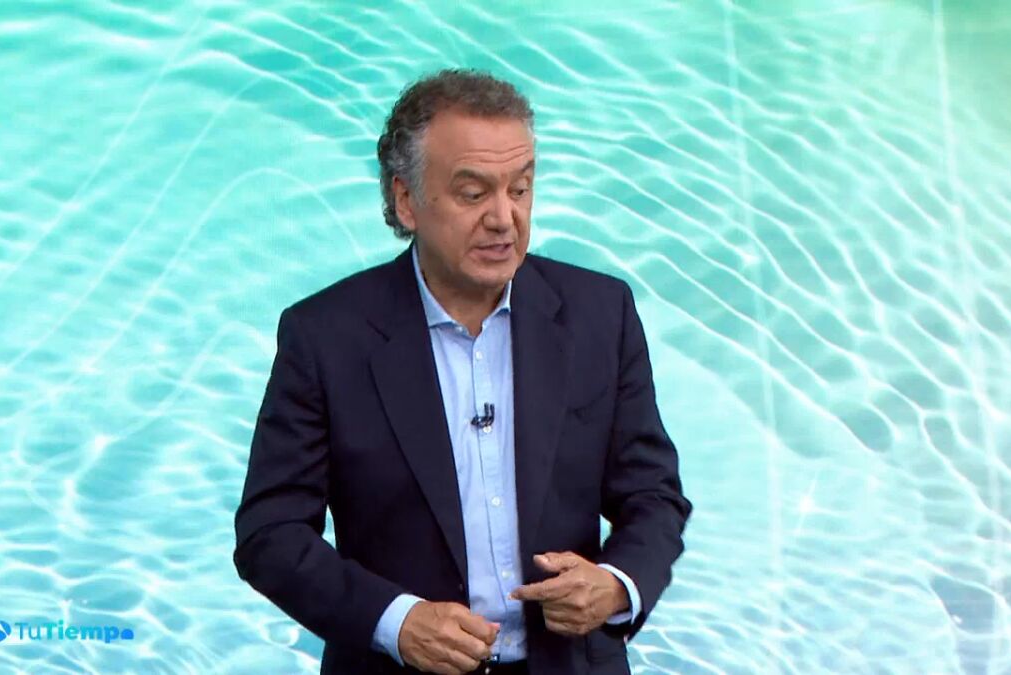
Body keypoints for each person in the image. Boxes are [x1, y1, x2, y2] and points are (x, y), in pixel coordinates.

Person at [233, 68, 692, 675]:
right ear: (406, 200)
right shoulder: (326, 337)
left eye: (520, 188)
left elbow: (654, 495)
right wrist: (396, 623)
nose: (504, 217)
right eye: (474, 194)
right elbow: (270, 533)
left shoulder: (600, 315)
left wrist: (616, 584)